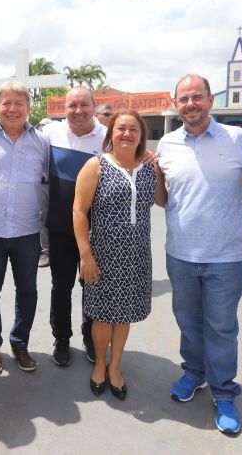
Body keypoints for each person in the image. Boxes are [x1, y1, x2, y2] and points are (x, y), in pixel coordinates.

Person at [156, 73, 242, 435]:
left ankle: (224, 392)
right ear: (175, 105)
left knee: (221, 328)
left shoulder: (237, 138)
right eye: (183, 99)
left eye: (197, 97)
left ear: (211, 100)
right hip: (180, 254)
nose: (190, 105)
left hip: (226, 257)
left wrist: (237, 209)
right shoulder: (166, 144)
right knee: (189, 321)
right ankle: (194, 373)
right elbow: (163, 195)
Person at [74, 110, 164, 400]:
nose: (127, 134)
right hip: (103, 253)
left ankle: (116, 366)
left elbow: (163, 200)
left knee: (123, 315)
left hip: (137, 254)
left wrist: (158, 164)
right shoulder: (96, 165)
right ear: (110, 132)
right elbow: (78, 212)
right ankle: (99, 364)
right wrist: (85, 254)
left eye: (134, 129)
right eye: (121, 128)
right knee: (102, 315)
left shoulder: (150, 167)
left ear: (141, 135)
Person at [0, 81, 49, 374]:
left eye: (19, 103)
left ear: (28, 108)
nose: (12, 109)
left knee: (27, 291)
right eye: (6, 102)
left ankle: (20, 343)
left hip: (27, 232)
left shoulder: (42, 142)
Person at [41, 86, 107, 367]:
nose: (78, 111)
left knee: (92, 285)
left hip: (97, 229)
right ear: (63, 109)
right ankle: (62, 337)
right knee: (61, 286)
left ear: (94, 106)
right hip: (58, 227)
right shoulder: (49, 134)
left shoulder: (108, 137)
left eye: (84, 105)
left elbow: (134, 152)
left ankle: (90, 336)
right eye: (72, 106)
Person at [35, 117, 53, 268]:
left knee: (46, 217)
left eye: (45, 126)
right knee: (41, 217)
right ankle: (44, 249)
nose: (42, 128)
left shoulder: (53, 142)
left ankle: (47, 250)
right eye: (41, 126)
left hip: (51, 185)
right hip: (38, 186)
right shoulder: (35, 141)